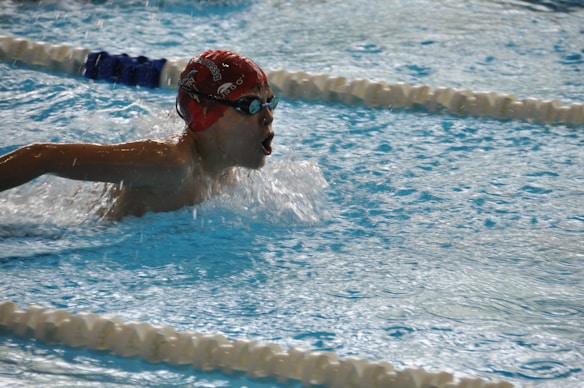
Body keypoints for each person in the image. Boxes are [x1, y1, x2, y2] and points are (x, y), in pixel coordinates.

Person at [0, 49, 277, 219]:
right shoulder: (170, 164)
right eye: (250, 105)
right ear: (208, 115)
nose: (268, 116)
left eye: (269, 102)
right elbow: (41, 156)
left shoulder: (229, 172)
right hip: (55, 231)